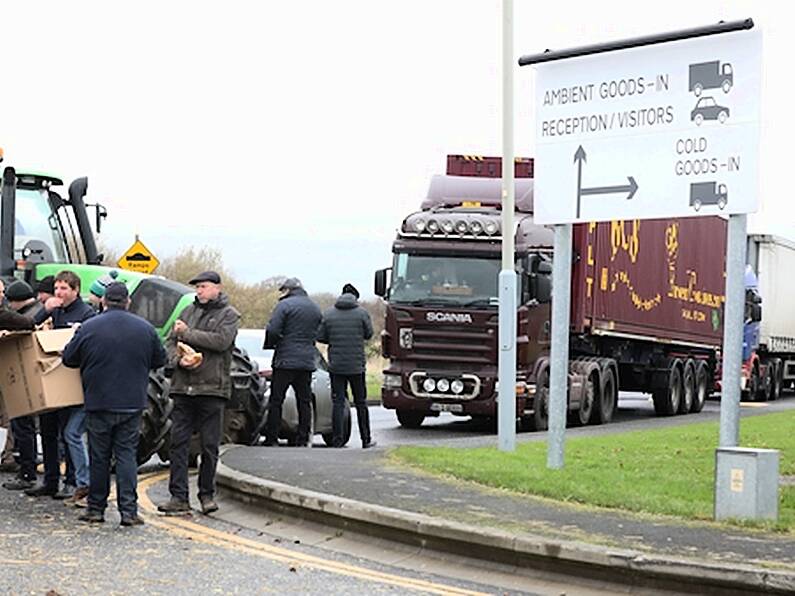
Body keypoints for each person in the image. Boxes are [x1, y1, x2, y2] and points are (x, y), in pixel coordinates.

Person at [63, 282, 166, 525]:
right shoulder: (145, 328)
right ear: (128, 302)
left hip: (98, 401)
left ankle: (96, 509)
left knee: (99, 456)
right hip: (132, 402)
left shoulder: (89, 328)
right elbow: (160, 360)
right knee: (126, 456)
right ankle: (128, 512)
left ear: (103, 301)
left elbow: (69, 359)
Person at [158, 271, 239, 516]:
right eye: (197, 288)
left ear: (217, 288)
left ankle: (207, 495)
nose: (199, 291)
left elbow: (221, 342)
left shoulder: (229, 315)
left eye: (204, 287)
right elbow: (170, 343)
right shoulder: (187, 313)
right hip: (184, 388)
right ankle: (178, 496)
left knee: (210, 445)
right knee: (178, 443)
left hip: (212, 388)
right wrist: (177, 360)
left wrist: (187, 334)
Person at [26, 271, 94, 500]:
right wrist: (45, 310)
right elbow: (30, 326)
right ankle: (50, 480)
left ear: (75, 290)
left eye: (64, 288)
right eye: (57, 288)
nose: (59, 293)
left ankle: (72, 481)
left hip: (70, 381)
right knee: (47, 432)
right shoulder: (54, 310)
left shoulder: (86, 313)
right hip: (50, 379)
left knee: (68, 434)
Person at [262, 278, 321, 447]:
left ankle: (272, 438)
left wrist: (271, 344)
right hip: (306, 361)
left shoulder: (284, 306)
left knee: (276, 400)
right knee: (304, 401)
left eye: (282, 291)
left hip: (285, 360)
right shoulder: (314, 307)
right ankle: (303, 439)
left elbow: (273, 329)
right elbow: (319, 331)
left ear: (288, 290)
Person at [317, 283, 375, 448]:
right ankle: (366, 439)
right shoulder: (362, 313)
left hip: (336, 366)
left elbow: (320, 336)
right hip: (356, 366)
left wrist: (333, 339)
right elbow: (369, 334)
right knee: (361, 403)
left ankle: (337, 440)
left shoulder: (328, 314)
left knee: (338, 403)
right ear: (355, 297)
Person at [2, 281, 41, 491]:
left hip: (14, 378)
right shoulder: (22, 314)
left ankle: (24, 469)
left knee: (17, 423)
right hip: (15, 376)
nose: (3, 298)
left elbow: (26, 323)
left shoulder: (11, 315)